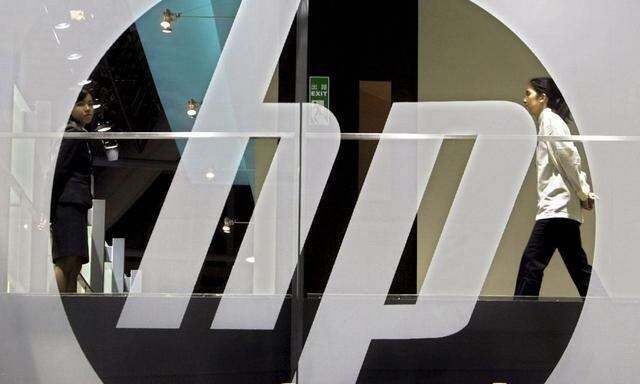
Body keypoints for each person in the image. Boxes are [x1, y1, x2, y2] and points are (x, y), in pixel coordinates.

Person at [514, 77, 596, 297]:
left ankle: (518, 316)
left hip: (556, 207)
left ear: (543, 98)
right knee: (578, 268)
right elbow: (568, 158)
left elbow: (569, 157)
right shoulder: (546, 122)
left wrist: (583, 192)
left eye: (528, 94)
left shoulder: (550, 120)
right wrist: (582, 192)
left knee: (531, 263)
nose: (524, 99)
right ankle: (604, 309)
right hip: (560, 208)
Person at [50, 88, 94, 293]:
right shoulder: (71, 135)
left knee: (74, 262)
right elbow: (58, 171)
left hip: (76, 203)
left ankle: (69, 311)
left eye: (90, 104)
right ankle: (57, 309)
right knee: (66, 260)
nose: (87, 108)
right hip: (67, 204)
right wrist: (49, 210)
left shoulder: (80, 135)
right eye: (81, 104)